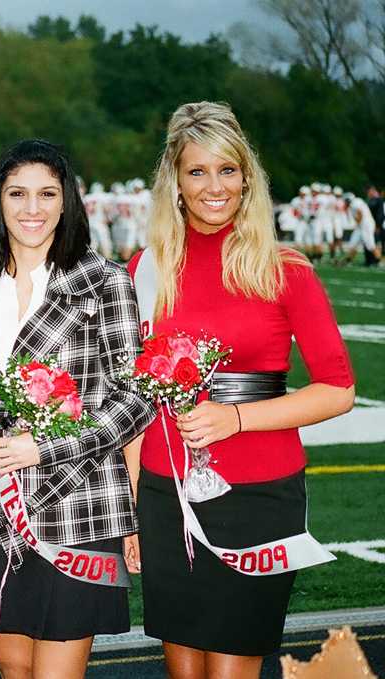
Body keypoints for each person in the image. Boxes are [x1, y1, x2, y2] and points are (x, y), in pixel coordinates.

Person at [126, 101, 355, 679]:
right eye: (197, 171)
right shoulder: (144, 269)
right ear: (175, 182)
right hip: (165, 494)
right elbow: (135, 399)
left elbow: (338, 390)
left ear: (247, 178)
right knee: (183, 670)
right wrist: (132, 506)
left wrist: (237, 418)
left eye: (227, 170)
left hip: (258, 494)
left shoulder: (287, 269)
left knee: (231, 669)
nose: (213, 187)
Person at [0, 139, 153, 679]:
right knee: (14, 666)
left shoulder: (103, 281)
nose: (32, 208)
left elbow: (135, 398)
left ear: (68, 203)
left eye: (47, 193)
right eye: (17, 193)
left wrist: (45, 447)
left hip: (78, 499)